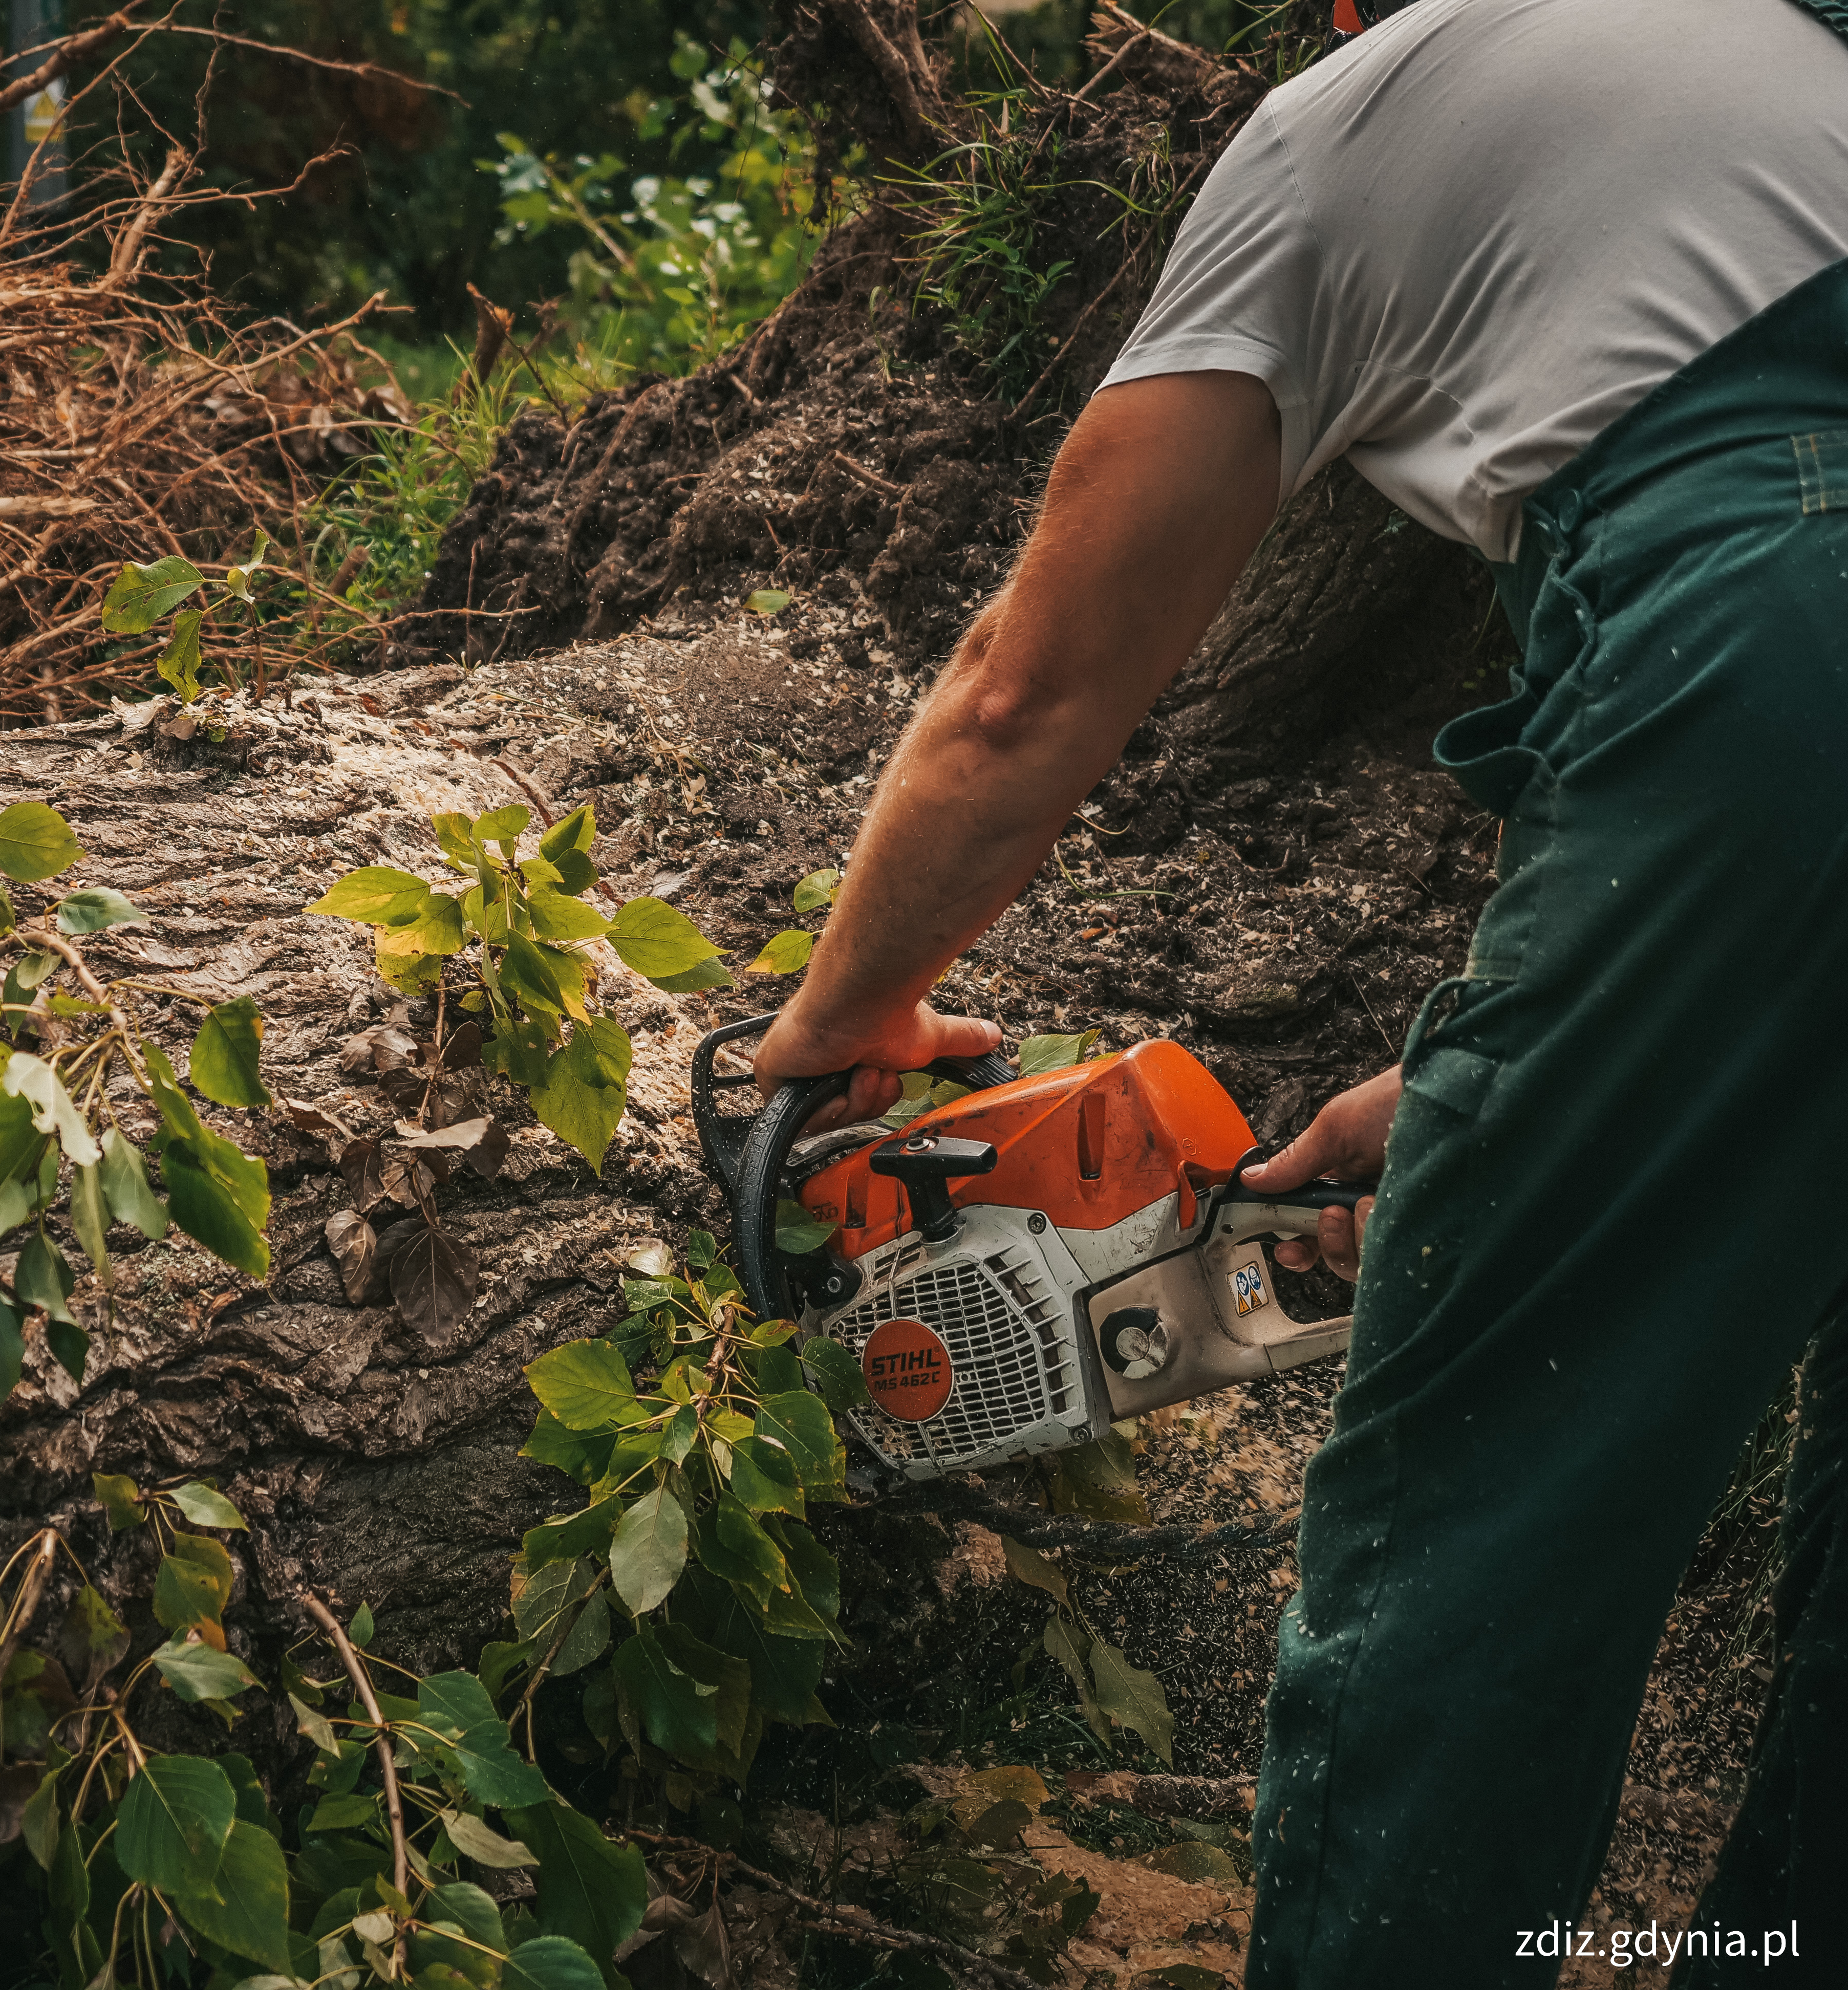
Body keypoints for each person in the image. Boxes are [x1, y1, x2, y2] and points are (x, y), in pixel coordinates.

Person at [750, 0, 1848, 1980]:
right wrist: (1481, 1108)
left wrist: (845, 1023)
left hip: (1779, 635)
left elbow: (1031, 688)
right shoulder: (1769, 51)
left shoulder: (1355, 112)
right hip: (1781, 710)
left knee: (1498, 1481)